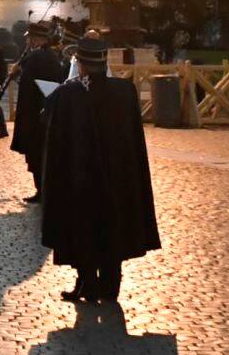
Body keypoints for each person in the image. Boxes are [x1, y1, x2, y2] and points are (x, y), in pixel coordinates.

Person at [38, 34, 160, 306]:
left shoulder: (66, 94)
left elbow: (47, 124)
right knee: (113, 226)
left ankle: (87, 283)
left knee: (82, 228)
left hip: (79, 178)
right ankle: (110, 284)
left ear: (80, 64)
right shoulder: (125, 91)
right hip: (117, 176)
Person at [9, 23, 66, 200]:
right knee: (38, 153)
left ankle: (42, 191)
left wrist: (18, 71)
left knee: (36, 153)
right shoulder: (46, 56)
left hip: (35, 114)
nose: (27, 41)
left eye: (29, 38)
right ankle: (44, 190)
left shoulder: (38, 57)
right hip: (40, 111)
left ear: (35, 39)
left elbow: (33, 84)